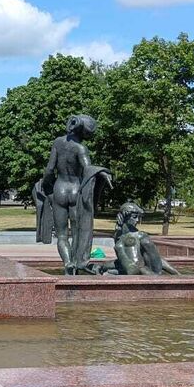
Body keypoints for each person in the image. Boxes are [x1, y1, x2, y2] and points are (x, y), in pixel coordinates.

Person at [33, 114, 112, 275]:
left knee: (62, 235)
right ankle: (77, 262)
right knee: (78, 232)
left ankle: (68, 262)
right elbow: (88, 169)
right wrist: (102, 172)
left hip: (59, 189)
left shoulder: (58, 142)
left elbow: (49, 170)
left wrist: (46, 186)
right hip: (76, 190)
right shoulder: (81, 149)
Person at [112, 202, 179, 275]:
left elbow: (156, 258)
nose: (137, 220)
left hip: (143, 270)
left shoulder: (140, 236)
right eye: (134, 217)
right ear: (125, 216)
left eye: (138, 217)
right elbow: (121, 260)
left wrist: (175, 273)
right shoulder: (118, 234)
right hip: (128, 268)